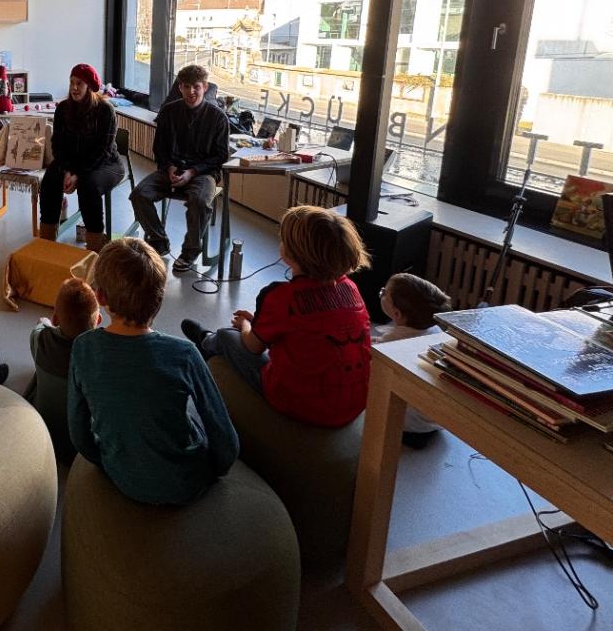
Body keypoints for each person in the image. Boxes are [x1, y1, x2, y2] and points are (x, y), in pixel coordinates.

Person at [68, 238, 238, 505]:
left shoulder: (83, 348)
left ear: (100, 297)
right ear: (159, 300)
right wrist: (213, 473)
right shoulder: (185, 354)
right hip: (186, 484)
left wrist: (107, 462)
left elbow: (79, 433)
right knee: (192, 413)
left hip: (122, 478)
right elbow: (227, 443)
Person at [182, 205, 373, 428]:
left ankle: (207, 342)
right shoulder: (350, 288)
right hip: (354, 403)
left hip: (303, 405)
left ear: (289, 254)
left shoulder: (280, 296)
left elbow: (253, 346)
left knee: (226, 336)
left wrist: (246, 325)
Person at [129, 64, 230, 274]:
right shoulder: (169, 111)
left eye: (196, 87)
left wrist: (192, 172)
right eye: (186, 86)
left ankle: (190, 251)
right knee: (139, 194)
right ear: (180, 87)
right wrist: (168, 168)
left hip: (203, 173)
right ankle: (159, 241)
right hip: (172, 169)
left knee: (199, 202)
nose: (191, 92)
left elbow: (220, 157)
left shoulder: (219, 117)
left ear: (205, 87)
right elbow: (159, 148)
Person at [39, 63, 123, 253]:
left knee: (88, 186)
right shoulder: (63, 109)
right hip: (73, 161)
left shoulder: (105, 110)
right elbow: (57, 145)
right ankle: (46, 240)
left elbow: (102, 150)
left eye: (79, 84)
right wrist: (67, 170)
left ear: (90, 87)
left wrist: (78, 174)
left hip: (106, 163)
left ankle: (94, 248)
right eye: (72, 83)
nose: (74, 88)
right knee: (50, 179)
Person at [25, 277, 101, 462]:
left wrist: (44, 322)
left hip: (41, 431)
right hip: (78, 448)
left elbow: (40, 326)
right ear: (98, 320)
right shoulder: (100, 357)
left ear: (55, 318)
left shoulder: (39, 339)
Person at [374, 273, 451, 448]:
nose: (382, 293)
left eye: (384, 293)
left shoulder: (392, 342)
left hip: (409, 425)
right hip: (437, 420)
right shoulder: (437, 332)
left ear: (397, 314)